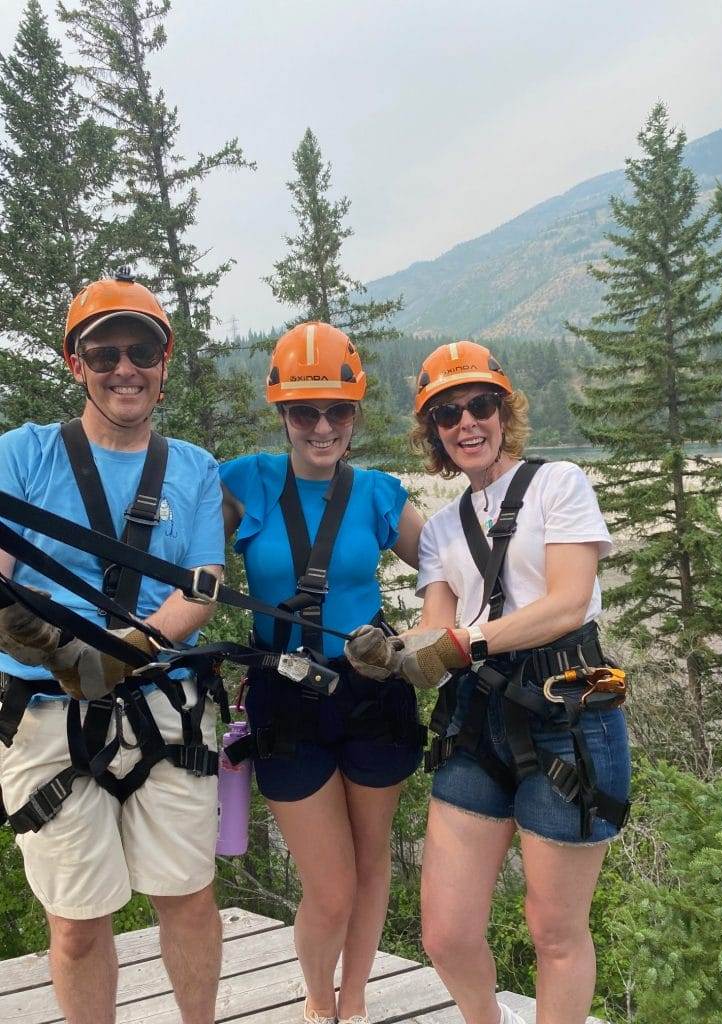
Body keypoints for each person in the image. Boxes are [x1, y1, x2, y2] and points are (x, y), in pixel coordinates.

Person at [346, 341, 631, 1024]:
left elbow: (566, 602)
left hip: (568, 712)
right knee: (445, 932)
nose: (466, 422)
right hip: (475, 719)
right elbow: (435, 628)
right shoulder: (443, 529)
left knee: (555, 931)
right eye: (448, 413)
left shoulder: (558, 484)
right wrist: (394, 650)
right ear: (434, 431)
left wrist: (458, 644)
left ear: (504, 411)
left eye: (480, 405)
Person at [0, 269, 225, 1024]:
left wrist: (126, 648)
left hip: (161, 703)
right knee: (75, 924)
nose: (124, 368)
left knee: (189, 899)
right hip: (45, 706)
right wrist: (42, 639)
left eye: (141, 353)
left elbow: (202, 586)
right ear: (77, 365)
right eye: (105, 355)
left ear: (162, 367)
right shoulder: (23, 456)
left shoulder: (191, 468)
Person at [220, 321, 424, 1024]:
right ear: (281, 413)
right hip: (286, 697)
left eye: (338, 410)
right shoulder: (244, 482)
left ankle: (356, 1002)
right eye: (305, 411)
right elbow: (183, 552)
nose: (322, 426)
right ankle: (316, 999)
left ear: (356, 413)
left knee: (372, 869)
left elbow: (456, 569)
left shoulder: (377, 493)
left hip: (370, 689)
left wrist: (440, 642)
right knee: (330, 887)